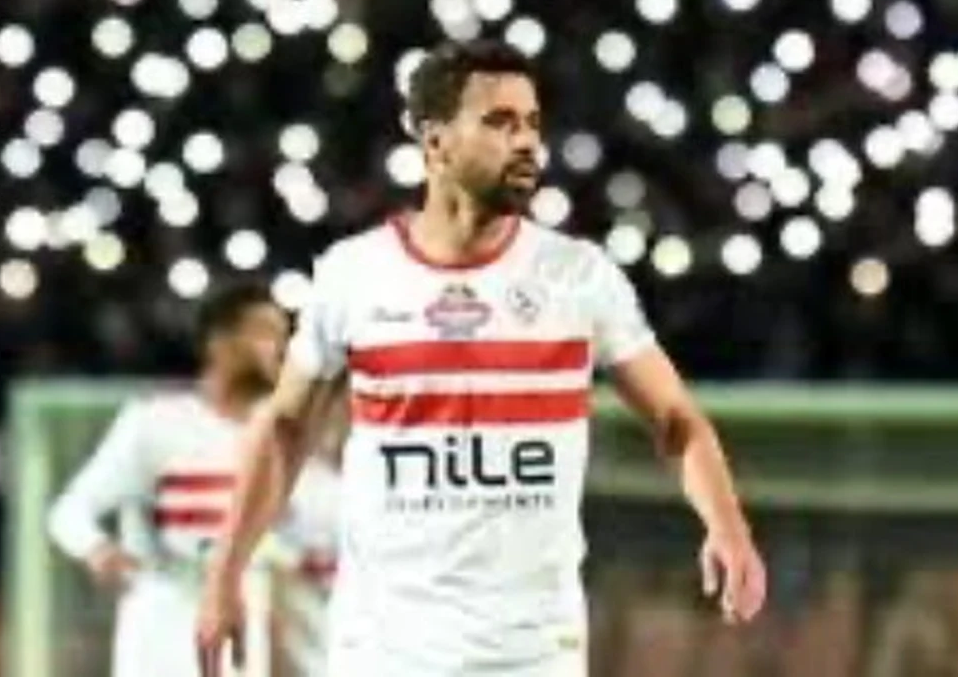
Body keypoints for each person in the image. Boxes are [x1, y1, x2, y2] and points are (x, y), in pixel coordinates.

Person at [196, 38, 766, 677]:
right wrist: (225, 575)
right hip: (385, 649)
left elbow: (675, 419)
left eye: (532, 123)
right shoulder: (354, 274)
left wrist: (728, 525)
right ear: (435, 141)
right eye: (500, 122)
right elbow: (283, 428)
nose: (526, 142)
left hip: (531, 652)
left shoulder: (578, 276)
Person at [48, 281, 340, 677]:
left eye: (284, 335)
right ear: (218, 344)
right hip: (162, 627)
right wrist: (97, 549)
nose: (280, 347)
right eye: (263, 332)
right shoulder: (156, 422)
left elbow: (321, 524)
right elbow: (69, 511)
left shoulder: (282, 437)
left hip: (242, 626)